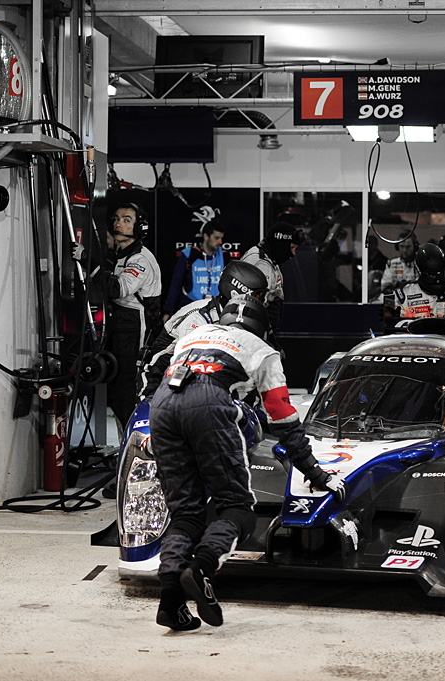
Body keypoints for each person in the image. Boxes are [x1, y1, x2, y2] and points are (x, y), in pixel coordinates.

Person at [151, 296, 348, 630]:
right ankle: (201, 568)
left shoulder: (193, 335)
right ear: (262, 326)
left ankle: (170, 603)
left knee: (186, 513)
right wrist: (316, 473)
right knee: (237, 509)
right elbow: (284, 422)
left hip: (161, 404)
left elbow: (157, 368)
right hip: (209, 403)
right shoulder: (262, 350)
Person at [137, 260, 269, 403]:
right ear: (236, 293)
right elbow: (187, 367)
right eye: (258, 296)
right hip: (161, 378)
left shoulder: (248, 319)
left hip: (208, 380)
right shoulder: (198, 318)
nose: (263, 301)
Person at [98, 202, 162, 433]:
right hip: (121, 326)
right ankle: (125, 451)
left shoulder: (140, 259)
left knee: (128, 395)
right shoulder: (121, 256)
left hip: (137, 330)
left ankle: (135, 452)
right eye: (116, 218)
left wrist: (90, 263)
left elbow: (118, 289)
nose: (118, 223)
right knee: (118, 396)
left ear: (139, 226)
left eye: (126, 219)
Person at [384, 242, 445, 325]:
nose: (437, 280)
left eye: (441, 274)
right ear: (420, 273)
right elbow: (388, 327)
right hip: (413, 342)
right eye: (432, 275)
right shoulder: (402, 294)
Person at [240, 214, 304, 332]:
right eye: (292, 247)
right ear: (282, 244)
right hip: (250, 329)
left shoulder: (271, 261)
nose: (293, 254)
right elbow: (250, 305)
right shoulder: (259, 262)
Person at [163, 219, 229, 320]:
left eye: (221, 238)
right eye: (216, 238)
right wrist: (168, 311)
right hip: (191, 307)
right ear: (206, 236)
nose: (220, 242)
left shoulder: (225, 256)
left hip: (215, 309)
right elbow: (176, 284)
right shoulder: (189, 254)